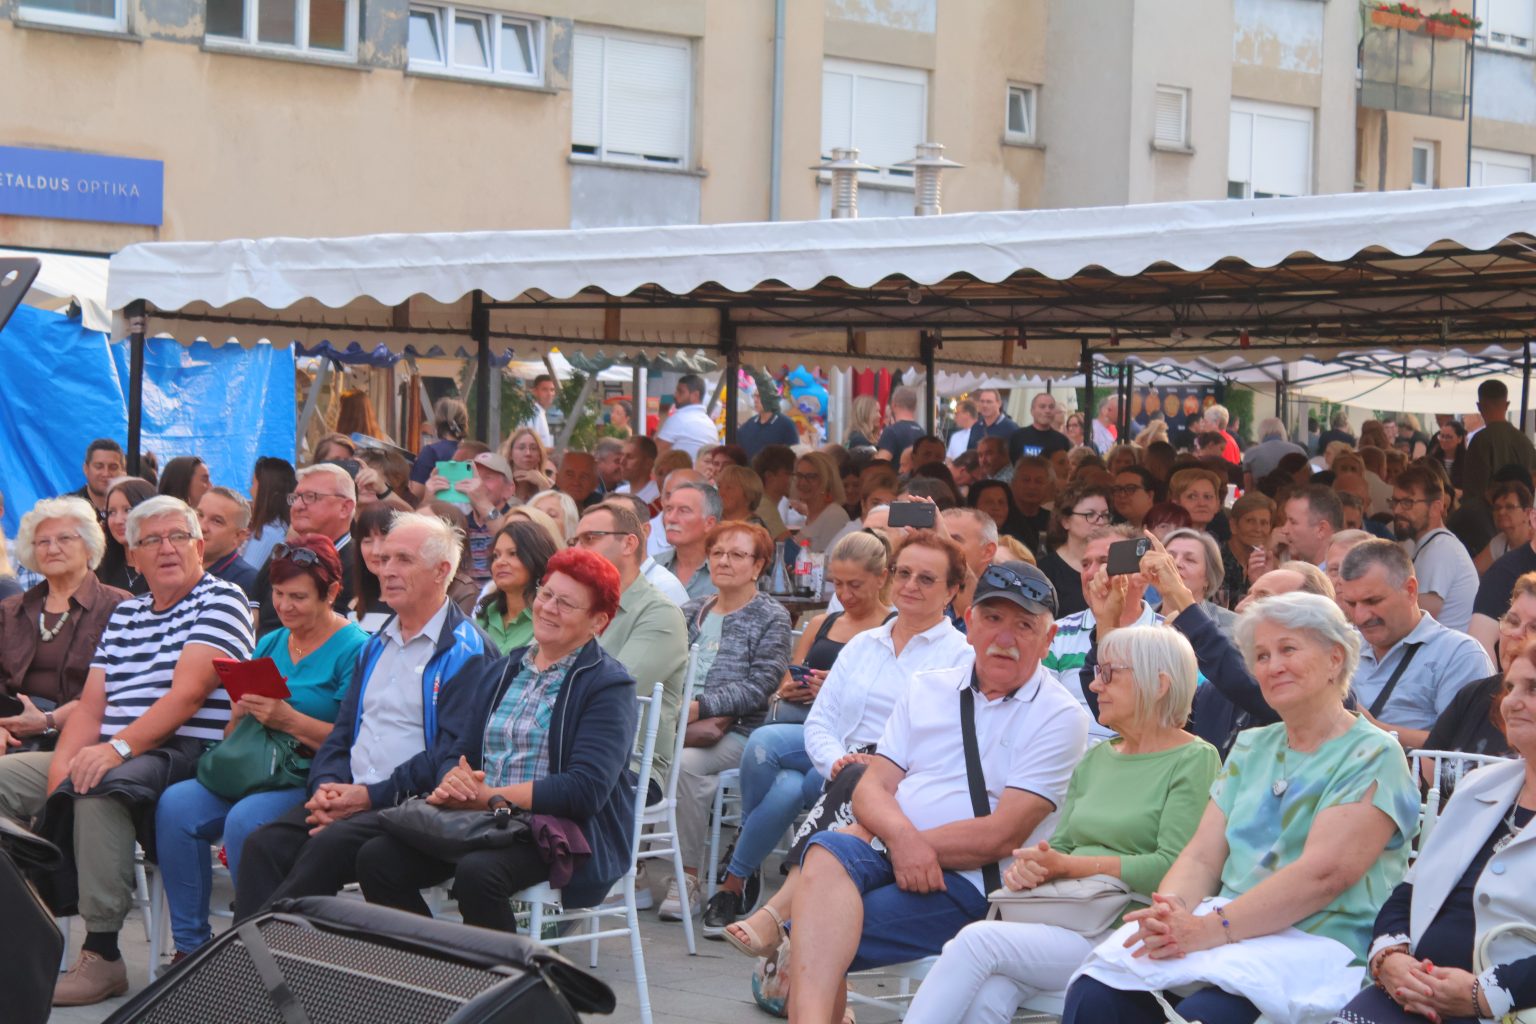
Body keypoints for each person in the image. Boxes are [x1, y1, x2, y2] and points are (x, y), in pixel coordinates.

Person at [1060, 592, 1421, 1024]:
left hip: (1316, 941)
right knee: (1098, 991)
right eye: (1262, 655)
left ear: (1335, 659)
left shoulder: (1372, 754)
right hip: (1223, 930)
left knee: (1205, 1013)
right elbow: (1200, 855)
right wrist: (1170, 910)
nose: (1272, 666)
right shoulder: (1252, 746)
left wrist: (1206, 930)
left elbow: (1322, 876)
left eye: (1288, 649)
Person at [785, 562, 1091, 1022]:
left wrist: (897, 843)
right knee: (827, 849)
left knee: (816, 930)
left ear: (1048, 642)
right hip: (896, 852)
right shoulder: (927, 688)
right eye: (992, 619)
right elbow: (872, 789)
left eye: (1024, 625)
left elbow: (1001, 835)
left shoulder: (1059, 715)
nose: (1004, 637)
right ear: (969, 625)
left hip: (972, 883)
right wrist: (901, 843)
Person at [0, 496, 255, 1006]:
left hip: (184, 752)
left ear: (200, 545)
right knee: (15, 779)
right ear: (131, 556)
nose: (166, 548)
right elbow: (91, 708)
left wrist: (113, 751)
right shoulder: (129, 614)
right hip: (111, 747)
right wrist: (60, 780)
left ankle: (103, 953)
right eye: (149, 541)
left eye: (178, 536)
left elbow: (186, 696)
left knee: (96, 786)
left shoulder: (221, 599)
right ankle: (22, 927)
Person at [906, 626, 1220, 1024]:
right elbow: (1064, 847)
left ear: (1158, 684)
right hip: (1067, 915)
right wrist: (1033, 867)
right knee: (988, 993)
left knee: (977, 941)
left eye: (1110, 674)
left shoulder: (1194, 759)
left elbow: (1173, 867)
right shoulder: (1097, 757)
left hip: (1122, 929)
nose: (1094, 683)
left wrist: (1070, 867)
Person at [355, 547, 638, 930]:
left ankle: (508, 982)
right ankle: (427, 965)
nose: (549, 608)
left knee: (478, 875)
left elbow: (584, 790)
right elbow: (459, 752)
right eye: (547, 594)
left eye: (566, 604)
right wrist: (453, 778)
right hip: (482, 820)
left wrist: (491, 798)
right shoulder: (506, 668)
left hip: (555, 832)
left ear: (598, 621)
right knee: (377, 858)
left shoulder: (606, 685)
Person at [232, 513, 492, 919]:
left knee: (329, 848)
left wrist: (369, 797)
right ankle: (270, 967)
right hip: (354, 795)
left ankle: (250, 956)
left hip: (413, 804)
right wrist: (326, 789)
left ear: (442, 571)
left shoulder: (466, 651)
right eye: (384, 559)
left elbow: (452, 753)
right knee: (264, 845)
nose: (386, 570)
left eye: (403, 560)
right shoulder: (377, 643)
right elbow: (343, 732)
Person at [154, 538, 366, 960]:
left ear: (331, 593)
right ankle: (190, 947)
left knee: (246, 821)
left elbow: (351, 741)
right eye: (279, 594)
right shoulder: (272, 642)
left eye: (299, 597)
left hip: (304, 772)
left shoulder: (355, 648)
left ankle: (250, 947)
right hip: (253, 764)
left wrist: (287, 719)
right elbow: (239, 726)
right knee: (175, 805)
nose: (285, 606)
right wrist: (238, 713)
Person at [703, 530, 913, 936]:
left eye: (855, 584)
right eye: (837, 583)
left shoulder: (890, 629)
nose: (845, 594)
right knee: (771, 757)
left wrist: (833, 688)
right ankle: (746, 874)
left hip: (855, 741)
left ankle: (736, 877)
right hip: (803, 722)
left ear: (881, 577)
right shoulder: (824, 621)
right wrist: (792, 686)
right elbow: (785, 676)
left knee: (793, 782)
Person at [1335, 645, 1536, 1024]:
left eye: (1533, 689)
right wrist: (1389, 959)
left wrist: (1489, 993)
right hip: (1416, 993)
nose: (1513, 702)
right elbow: (1409, 892)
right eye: (1510, 687)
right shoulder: (1479, 786)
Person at [658, 522, 791, 922]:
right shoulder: (689, 610)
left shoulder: (771, 617)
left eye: (737, 554)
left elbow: (762, 685)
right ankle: (634, 863)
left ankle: (687, 878)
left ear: (758, 566)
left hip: (733, 731)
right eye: (717, 553)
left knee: (684, 767)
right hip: (674, 722)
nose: (724, 561)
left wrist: (700, 706)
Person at [575, 500, 688, 809]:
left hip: (629, 766)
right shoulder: (574, 604)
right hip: (560, 752)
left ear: (629, 543)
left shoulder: (659, 613)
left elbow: (609, 693)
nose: (578, 550)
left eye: (590, 538)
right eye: (575, 541)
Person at [0, 498, 131, 753]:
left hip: (83, 741)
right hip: (12, 736)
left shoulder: (120, 606)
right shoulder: (10, 610)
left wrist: (47, 722)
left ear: (90, 546)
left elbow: (116, 688)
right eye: (43, 542)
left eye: (64, 539)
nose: (52, 549)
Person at [1338, 541, 1493, 749]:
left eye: (1372, 601)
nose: (1360, 616)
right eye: (1351, 603)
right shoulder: (1342, 648)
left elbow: (1464, 748)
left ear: (1411, 590)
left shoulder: (1460, 655)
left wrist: (1371, 729)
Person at [1045, 526, 1164, 739]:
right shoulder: (1056, 633)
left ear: (1141, 574)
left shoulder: (1170, 636)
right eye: (1085, 564)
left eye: (1104, 561)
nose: (1090, 573)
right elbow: (1042, 714)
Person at [1422, 572, 1536, 759]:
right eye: (1513, 622)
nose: (1517, 634)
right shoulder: (1473, 694)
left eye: (1535, 627)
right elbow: (1426, 773)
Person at [252, 463, 358, 636]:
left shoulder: (360, 564)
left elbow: (330, 635)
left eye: (311, 497)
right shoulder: (283, 552)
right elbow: (253, 611)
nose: (297, 506)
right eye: (296, 497)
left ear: (344, 508)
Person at [1392, 465, 1479, 633]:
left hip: (1446, 657)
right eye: (1395, 502)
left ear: (1435, 507)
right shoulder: (1432, 545)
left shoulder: (1441, 549)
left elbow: (1416, 617)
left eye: (1407, 503)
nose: (1396, 510)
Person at [474, 520, 557, 655]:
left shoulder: (551, 618)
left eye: (513, 554)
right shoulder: (485, 612)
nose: (500, 562)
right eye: (496, 555)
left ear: (536, 558)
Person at [1039, 480, 1113, 618]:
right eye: (1090, 515)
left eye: (1104, 515)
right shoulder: (1045, 572)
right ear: (1065, 521)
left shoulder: (1116, 563)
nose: (1101, 521)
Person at [1163, 528, 1238, 633]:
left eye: (1190, 560)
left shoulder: (1234, 626)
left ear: (1208, 577)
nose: (1176, 563)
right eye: (1169, 557)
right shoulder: (1139, 614)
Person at [657, 480, 721, 601]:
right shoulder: (651, 566)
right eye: (669, 509)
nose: (671, 518)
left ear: (709, 523)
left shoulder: (728, 571)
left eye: (684, 511)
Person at [96, 477, 158, 594]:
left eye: (128, 510)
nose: (118, 520)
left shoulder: (164, 567)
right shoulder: (100, 567)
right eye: (111, 512)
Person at [197, 486, 259, 599]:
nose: (201, 526)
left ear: (238, 536)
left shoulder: (247, 582)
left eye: (216, 521)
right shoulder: (175, 567)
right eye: (199, 515)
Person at [409, 398, 469, 501]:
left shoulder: (431, 452)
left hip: (437, 513)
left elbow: (416, 492)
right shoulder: (473, 453)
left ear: (437, 423)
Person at [1222, 492, 1274, 610]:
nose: (1258, 529)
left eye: (1264, 523)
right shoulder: (1216, 560)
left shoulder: (1270, 562)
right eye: (1250, 521)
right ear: (1233, 525)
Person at [245, 456, 296, 570]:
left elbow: (245, 577)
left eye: (253, 484)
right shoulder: (282, 527)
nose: (250, 490)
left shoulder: (267, 533)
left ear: (265, 491)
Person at [795, 451, 850, 553]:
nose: (802, 482)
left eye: (811, 477)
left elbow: (831, 563)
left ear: (827, 481)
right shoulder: (810, 515)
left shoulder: (835, 516)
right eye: (799, 475)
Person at [655, 373, 720, 458]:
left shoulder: (679, 419)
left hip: (682, 470)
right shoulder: (710, 424)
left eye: (680, 392)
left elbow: (655, 452)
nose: (675, 395)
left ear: (695, 395)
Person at [1475, 480, 1533, 575]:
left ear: (1527, 513)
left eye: (1510, 507)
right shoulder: (1500, 542)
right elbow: (1472, 572)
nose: (1501, 512)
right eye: (1497, 508)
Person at [969, 479, 1036, 551]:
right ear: (974, 507)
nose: (996, 507)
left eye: (1001, 502)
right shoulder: (963, 539)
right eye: (989, 502)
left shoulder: (1018, 542)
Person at [1241, 417, 1306, 488]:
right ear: (1283, 431)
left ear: (1261, 432)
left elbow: (1248, 489)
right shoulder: (1298, 450)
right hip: (1292, 496)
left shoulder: (1251, 453)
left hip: (1261, 497)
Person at [738, 385, 800, 459]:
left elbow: (793, 455)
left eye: (759, 396)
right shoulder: (748, 425)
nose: (755, 400)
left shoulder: (786, 425)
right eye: (754, 396)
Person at [71, 439, 124, 524]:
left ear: (122, 471)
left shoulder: (131, 508)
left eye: (113, 467)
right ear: (86, 469)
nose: (106, 474)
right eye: (99, 467)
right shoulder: (68, 508)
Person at [1008, 392, 1070, 464]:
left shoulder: (1062, 440)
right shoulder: (1018, 436)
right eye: (1042, 407)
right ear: (1032, 411)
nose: (1047, 411)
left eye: (1051, 407)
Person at [1168, 466, 1226, 541]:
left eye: (1207, 497)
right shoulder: (1166, 543)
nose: (1202, 503)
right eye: (1192, 497)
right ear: (1176, 503)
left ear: (1218, 504)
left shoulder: (1217, 544)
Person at [498, 426, 553, 504]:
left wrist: (543, 486)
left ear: (539, 456)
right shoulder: (498, 485)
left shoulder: (549, 485)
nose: (528, 453)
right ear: (510, 454)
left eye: (533, 448)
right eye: (521, 448)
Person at [876, 385, 925, 465]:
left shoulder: (891, 431)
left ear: (893, 404)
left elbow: (880, 464)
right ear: (915, 406)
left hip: (896, 477)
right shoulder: (922, 432)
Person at [616, 434, 658, 505]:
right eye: (622, 455)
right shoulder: (619, 493)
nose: (622, 462)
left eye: (630, 457)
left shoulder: (658, 496)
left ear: (648, 463)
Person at [1435, 418, 1467, 491]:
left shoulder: (1468, 460)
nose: (1444, 440)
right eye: (1442, 436)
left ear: (1459, 439)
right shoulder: (1433, 459)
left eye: (1449, 437)